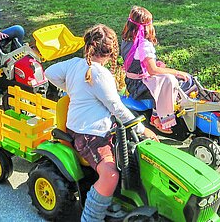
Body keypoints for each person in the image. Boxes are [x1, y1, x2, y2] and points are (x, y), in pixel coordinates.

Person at [44, 24, 158, 222]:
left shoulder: (74, 64)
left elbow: (50, 73)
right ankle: (90, 217)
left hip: (97, 128)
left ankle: (119, 198)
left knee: (131, 155)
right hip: (89, 134)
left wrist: (71, 88)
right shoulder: (99, 74)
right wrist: (142, 128)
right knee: (111, 174)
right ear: (112, 51)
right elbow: (116, 107)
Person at [120, 6, 190, 133]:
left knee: (167, 78)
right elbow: (153, 70)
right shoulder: (143, 45)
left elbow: (138, 63)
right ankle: (157, 116)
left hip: (131, 81)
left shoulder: (127, 40)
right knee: (170, 80)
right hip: (139, 86)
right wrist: (177, 72)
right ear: (146, 27)